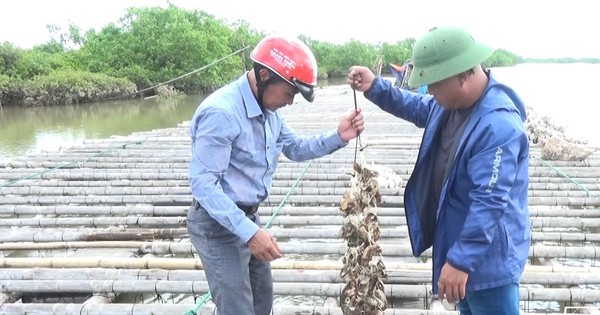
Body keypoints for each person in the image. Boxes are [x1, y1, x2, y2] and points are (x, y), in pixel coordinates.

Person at [347, 26, 530, 315]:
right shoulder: (450, 105)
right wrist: (375, 86)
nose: (429, 91)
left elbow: (490, 201)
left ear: (463, 75)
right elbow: (417, 106)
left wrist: (460, 262)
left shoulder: (498, 126)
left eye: (434, 83)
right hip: (459, 248)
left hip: (487, 264)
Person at [187, 34, 365, 315]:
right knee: (237, 309)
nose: (290, 102)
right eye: (290, 93)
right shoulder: (222, 113)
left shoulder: (269, 109)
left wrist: (338, 136)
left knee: (262, 303)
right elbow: (204, 186)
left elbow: (294, 147)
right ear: (265, 75)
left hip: (248, 218)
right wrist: (250, 233)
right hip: (216, 227)